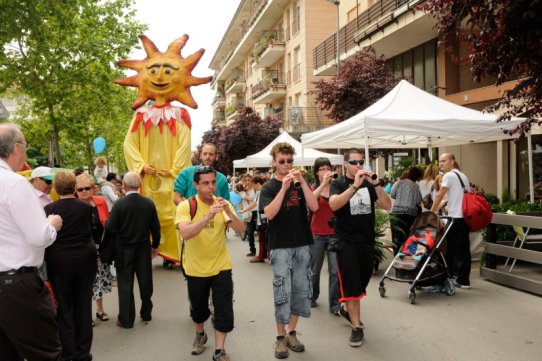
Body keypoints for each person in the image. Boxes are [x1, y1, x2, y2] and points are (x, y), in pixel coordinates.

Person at [0, 123, 63, 361]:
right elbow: (39, 236)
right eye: (25, 145)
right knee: (45, 353)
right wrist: (52, 224)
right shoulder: (14, 183)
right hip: (17, 284)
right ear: (16, 148)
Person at [176, 166, 245, 361]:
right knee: (198, 310)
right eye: (206, 183)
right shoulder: (186, 206)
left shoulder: (224, 203)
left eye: (213, 182)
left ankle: (219, 350)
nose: (211, 187)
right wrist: (208, 216)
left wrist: (228, 213)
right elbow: (186, 234)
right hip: (195, 268)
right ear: (196, 185)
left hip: (221, 265)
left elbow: (241, 230)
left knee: (223, 309)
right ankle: (200, 333)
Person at [259, 142, 318, 359]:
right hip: (280, 246)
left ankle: (292, 332)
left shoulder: (300, 183)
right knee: (282, 290)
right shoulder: (268, 187)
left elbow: (314, 207)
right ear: (274, 162)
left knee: (301, 290)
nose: (286, 165)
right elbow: (270, 213)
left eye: (290, 161)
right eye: (282, 161)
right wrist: (283, 188)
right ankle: (280, 337)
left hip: (302, 243)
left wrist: (301, 182)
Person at [329, 148, 391, 348]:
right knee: (352, 285)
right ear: (345, 164)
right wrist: (354, 187)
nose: (358, 166)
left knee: (362, 281)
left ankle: (346, 309)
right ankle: (356, 327)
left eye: (361, 162)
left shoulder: (369, 183)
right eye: (354, 163)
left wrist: (378, 185)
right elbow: (334, 205)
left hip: (366, 241)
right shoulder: (338, 183)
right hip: (346, 241)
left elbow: (387, 206)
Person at [44, 171, 97, 361]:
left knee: (64, 308)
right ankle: (83, 353)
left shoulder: (49, 208)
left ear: (56, 189)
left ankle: (69, 353)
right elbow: (94, 230)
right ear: (75, 187)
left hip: (59, 262)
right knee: (83, 306)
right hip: (85, 259)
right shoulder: (85, 207)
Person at [105, 171, 161, 328]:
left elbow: (109, 228)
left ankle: (126, 318)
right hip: (143, 247)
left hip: (124, 249)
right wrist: (154, 246)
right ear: (140, 185)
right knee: (145, 281)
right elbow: (156, 229)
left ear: (123, 185)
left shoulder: (119, 204)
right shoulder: (148, 203)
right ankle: (146, 312)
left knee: (125, 284)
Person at [170, 143, 229, 269]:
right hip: (190, 224)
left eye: (211, 154)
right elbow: (176, 198)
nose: (208, 157)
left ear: (216, 157)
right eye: (205, 154)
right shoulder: (186, 173)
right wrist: (190, 211)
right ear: (200, 155)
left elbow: (227, 205)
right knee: (194, 266)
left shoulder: (222, 179)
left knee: (215, 266)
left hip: (213, 229)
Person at [430, 153, 471, 290]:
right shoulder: (463, 176)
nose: (441, 164)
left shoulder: (449, 176)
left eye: (444, 161)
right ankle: (463, 280)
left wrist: (432, 212)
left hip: (454, 218)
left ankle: (441, 283)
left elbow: (440, 195)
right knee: (463, 251)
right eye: (440, 161)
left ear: (452, 161)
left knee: (445, 252)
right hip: (464, 218)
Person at [76, 173, 113, 324]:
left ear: (93, 189)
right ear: (75, 190)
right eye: (80, 189)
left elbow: (107, 222)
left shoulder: (100, 201)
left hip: (99, 247)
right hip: (83, 249)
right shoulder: (74, 205)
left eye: (87, 188)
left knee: (99, 281)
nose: (84, 191)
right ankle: (86, 314)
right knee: (86, 282)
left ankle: (100, 310)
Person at [308, 157, 340, 314]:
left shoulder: (337, 187)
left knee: (334, 271)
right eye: (321, 169)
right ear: (316, 172)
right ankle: (313, 296)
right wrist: (322, 184)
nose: (325, 171)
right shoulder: (313, 187)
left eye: (328, 168)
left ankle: (334, 304)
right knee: (315, 270)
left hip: (335, 234)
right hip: (317, 234)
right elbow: (310, 204)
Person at [390, 166, 423, 254]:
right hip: (411, 214)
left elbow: (392, 194)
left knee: (397, 235)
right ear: (418, 177)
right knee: (407, 235)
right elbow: (418, 201)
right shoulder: (416, 186)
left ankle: (397, 254)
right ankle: (405, 255)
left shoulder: (399, 182)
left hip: (397, 212)